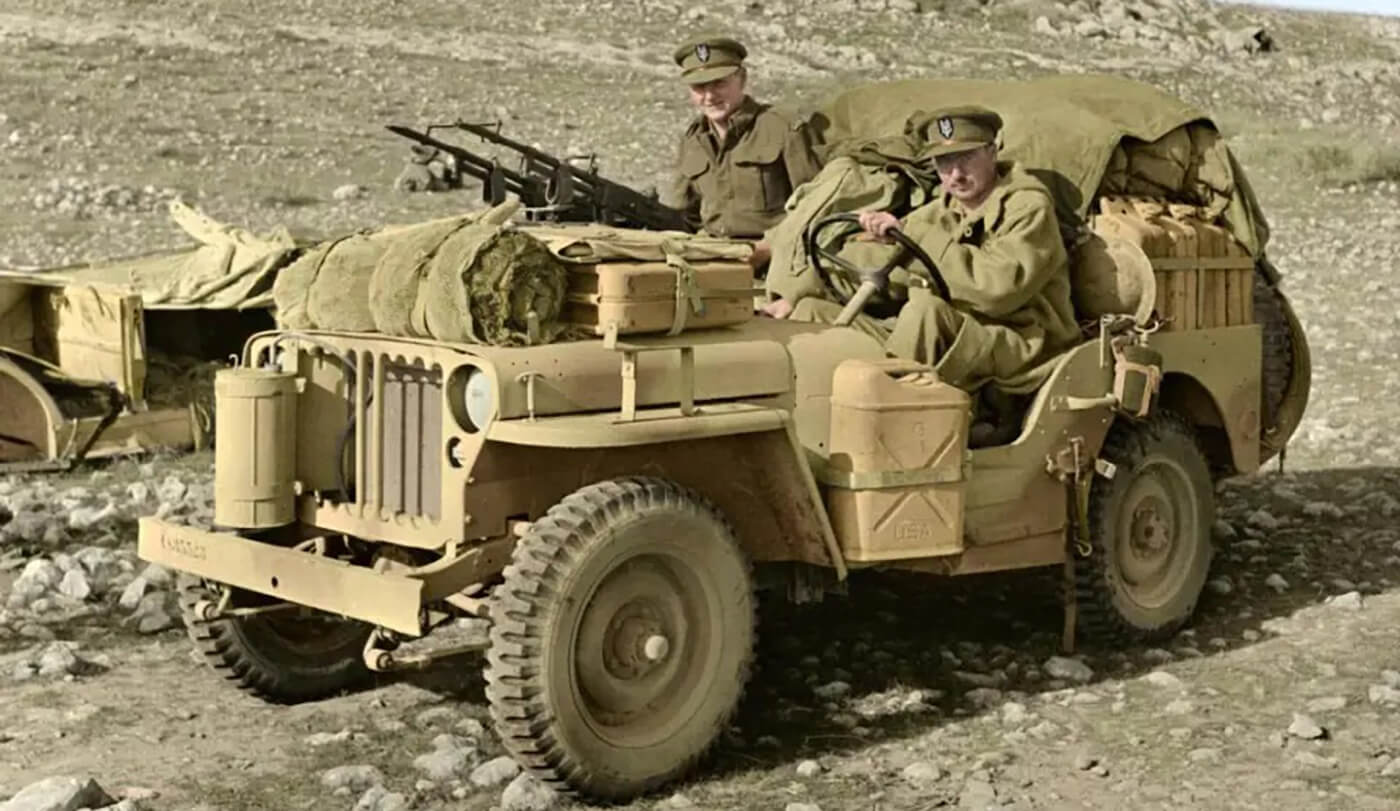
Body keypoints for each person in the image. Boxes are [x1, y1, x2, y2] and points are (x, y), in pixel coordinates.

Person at [785, 105, 1080, 440]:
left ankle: (884, 436)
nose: (955, 174)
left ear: (992, 151)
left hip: (1022, 338)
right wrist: (802, 291)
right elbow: (881, 260)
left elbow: (998, 290)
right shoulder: (938, 212)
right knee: (812, 313)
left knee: (925, 311)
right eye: (943, 162)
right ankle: (812, 429)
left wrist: (917, 240)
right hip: (949, 330)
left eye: (966, 158)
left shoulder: (1027, 207)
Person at [669, 35, 823, 270]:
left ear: (742, 79)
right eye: (699, 87)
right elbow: (683, 214)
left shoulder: (782, 128)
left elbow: (817, 204)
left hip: (778, 261)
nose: (709, 96)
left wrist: (771, 246)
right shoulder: (692, 140)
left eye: (719, 83)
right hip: (714, 258)